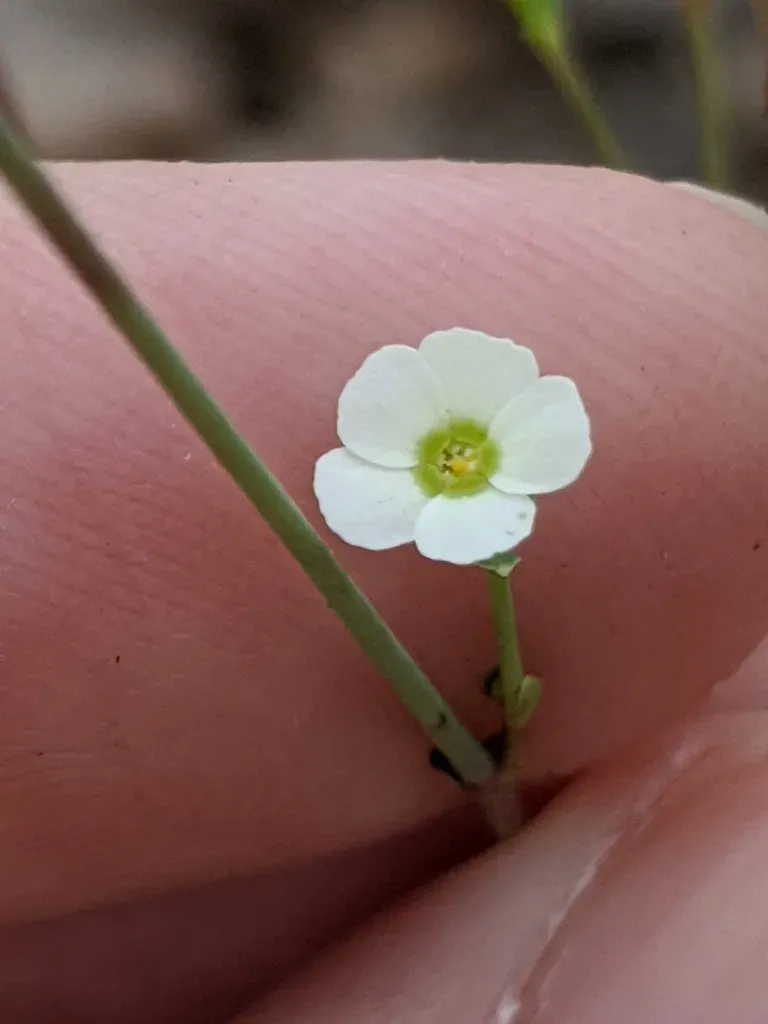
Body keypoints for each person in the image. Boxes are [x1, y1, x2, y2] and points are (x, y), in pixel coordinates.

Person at [1, 160, 767, 1023]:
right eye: (455, 457)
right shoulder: (424, 480)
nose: (459, 460)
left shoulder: (505, 457)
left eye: (466, 455)